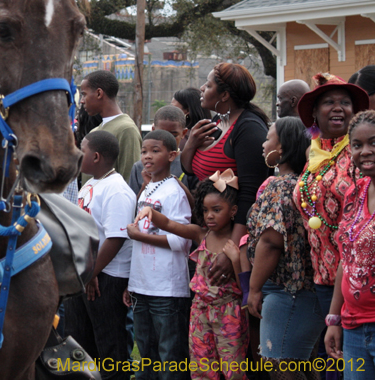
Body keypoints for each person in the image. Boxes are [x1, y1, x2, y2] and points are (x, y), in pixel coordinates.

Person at [136, 171, 247, 380]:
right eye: (205, 211)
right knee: (201, 365)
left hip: (228, 313)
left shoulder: (239, 244)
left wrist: (234, 259)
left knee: (233, 369)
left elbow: (244, 288)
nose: (209, 216)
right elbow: (170, 225)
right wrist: (150, 210)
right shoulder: (200, 234)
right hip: (199, 311)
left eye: (216, 210)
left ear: (233, 211)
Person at [246, 117, 321, 376]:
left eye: (269, 138)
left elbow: (270, 242)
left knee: (279, 364)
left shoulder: (280, 186)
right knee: (301, 363)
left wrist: (254, 289)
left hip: (287, 290)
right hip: (307, 290)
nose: (263, 144)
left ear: (283, 147)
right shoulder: (306, 183)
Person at [293, 74, 369, 320]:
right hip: (321, 275)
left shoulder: (361, 153)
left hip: (358, 276)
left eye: (345, 102)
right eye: (329, 102)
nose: (338, 107)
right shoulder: (313, 153)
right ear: (315, 112)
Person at [65, 130, 136, 380]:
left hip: (107, 278)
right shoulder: (91, 184)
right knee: (82, 343)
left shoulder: (117, 190)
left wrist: (91, 272)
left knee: (110, 348)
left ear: (95, 156)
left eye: (80, 149)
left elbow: (116, 238)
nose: (75, 153)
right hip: (87, 275)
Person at [181, 63, 270, 252]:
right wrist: (191, 144)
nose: (202, 89)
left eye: (208, 84)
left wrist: (231, 249)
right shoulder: (216, 122)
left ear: (224, 95)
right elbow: (189, 170)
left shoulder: (248, 129)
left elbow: (250, 195)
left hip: (235, 239)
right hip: (213, 232)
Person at [125, 130, 192, 380]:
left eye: (155, 151)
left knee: (170, 356)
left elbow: (181, 239)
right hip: (142, 286)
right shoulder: (147, 190)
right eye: (144, 151)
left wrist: (141, 236)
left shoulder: (173, 191)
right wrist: (131, 284)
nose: (147, 156)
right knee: (146, 353)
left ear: (172, 155)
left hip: (167, 289)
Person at [325, 110, 375, 378]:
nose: (365, 151)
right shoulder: (355, 192)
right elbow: (347, 257)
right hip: (353, 327)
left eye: (373, 143)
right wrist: (334, 318)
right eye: (357, 145)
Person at [79, 70, 142, 183]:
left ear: (99, 93)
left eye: (84, 94)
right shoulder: (95, 131)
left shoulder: (126, 130)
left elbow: (130, 181)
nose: (82, 101)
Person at [128, 106, 195, 194]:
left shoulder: (189, 165)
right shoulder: (139, 168)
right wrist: (145, 186)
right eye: (161, 133)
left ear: (183, 133)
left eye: (174, 135)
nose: (166, 139)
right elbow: (134, 205)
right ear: (153, 130)